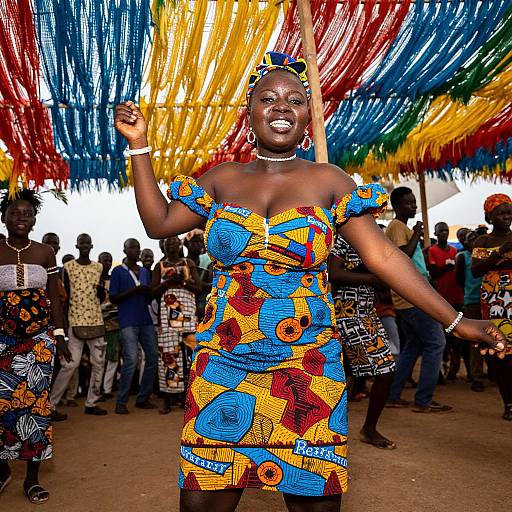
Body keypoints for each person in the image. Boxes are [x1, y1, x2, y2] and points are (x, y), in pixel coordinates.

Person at [115, 51, 504, 512]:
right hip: (223, 360)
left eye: (295, 101)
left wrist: (458, 321)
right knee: (201, 503)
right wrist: (139, 146)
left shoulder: (329, 180)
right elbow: (159, 223)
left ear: (307, 120)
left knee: (312, 501)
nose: (282, 107)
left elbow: (383, 256)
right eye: (269, 98)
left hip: (306, 364)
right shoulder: (221, 178)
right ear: (250, 113)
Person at [0, 190, 71, 504]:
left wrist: (60, 335)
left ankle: (31, 479)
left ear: (35, 219)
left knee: (36, 409)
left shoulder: (45, 252)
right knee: (3, 408)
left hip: (38, 342)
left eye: (27, 213)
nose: (21, 218)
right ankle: (3, 469)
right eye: (14, 213)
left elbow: (54, 298)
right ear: (3, 217)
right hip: (2, 341)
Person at [385, 188, 452, 413]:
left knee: (413, 346)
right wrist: (416, 233)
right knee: (436, 342)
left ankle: (393, 395)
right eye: (408, 203)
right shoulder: (396, 227)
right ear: (396, 206)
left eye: (414, 203)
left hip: (410, 295)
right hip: (412, 296)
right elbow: (402, 255)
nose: (413, 207)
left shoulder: (401, 228)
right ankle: (423, 399)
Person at [328, 235, 396, 449]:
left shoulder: (372, 239)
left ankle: (368, 429)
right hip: (345, 313)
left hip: (367, 313)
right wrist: (372, 279)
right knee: (380, 370)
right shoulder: (344, 239)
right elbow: (333, 272)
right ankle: (341, 433)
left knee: (384, 370)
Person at [50, 234, 108, 416]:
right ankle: (50, 405)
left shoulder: (99, 267)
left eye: (87, 242)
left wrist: (101, 293)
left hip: (96, 321)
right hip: (75, 321)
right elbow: (64, 298)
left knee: (98, 363)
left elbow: (102, 297)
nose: (84, 245)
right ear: (77, 246)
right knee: (70, 364)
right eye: (81, 242)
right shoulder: (68, 268)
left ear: (91, 245)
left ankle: (91, 402)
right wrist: (64, 324)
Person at [472, 194, 512, 420]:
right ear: (489, 216)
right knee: (502, 353)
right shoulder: (483, 242)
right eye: (501, 213)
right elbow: (477, 269)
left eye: (509, 212)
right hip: (496, 302)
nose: (506, 217)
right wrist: (501, 251)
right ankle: (508, 403)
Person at [109, 238, 159, 414]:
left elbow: (148, 296)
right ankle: (121, 401)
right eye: (132, 247)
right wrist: (135, 291)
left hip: (145, 320)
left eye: (138, 247)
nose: (136, 250)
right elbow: (113, 298)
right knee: (131, 360)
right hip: (128, 321)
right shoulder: (117, 272)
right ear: (124, 250)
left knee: (152, 357)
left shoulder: (145, 271)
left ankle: (143, 398)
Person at [152, 236, 200, 414]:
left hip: (188, 318)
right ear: (163, 247)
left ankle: (189, 398)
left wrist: (183, 282)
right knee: (168, 358)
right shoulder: (160, 266)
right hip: (167, 321)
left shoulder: (188, 263)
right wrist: (168, 283)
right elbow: (152, 291)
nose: (171, 246)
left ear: (180, 245)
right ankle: (167, 398)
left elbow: (199, 288)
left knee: (191, 359)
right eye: (168, 244)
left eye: (174, 243)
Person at [428, 222, 468, 381]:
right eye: (441, 231)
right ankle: (441, 369)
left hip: (457, 298)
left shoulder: (455, 251)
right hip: (442, 299)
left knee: (457, 337)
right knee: (443, 337)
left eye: (446, 230)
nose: (444, 233)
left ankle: (454, 369)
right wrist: (449, 267)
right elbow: (433, 273)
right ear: (436, 233)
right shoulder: (432, 251)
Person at [455, 230, 485, 391]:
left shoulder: (486, 256)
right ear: (465, 243)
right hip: (472, 301)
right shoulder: (463, 257)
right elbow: (459, 280)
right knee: (475, 341)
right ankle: (477, 377)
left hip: (488, 300)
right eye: (470, 239)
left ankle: (493, 373)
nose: (474, 240)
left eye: (476, 237)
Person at [98, 252, 120, 399]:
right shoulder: (95, 280)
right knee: (100, 358)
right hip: (98, 322)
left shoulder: (113, 280)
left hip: (114, 323)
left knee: (112, 357)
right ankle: (100, 388)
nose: (107, 263)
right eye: (104, 260)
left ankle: (107, 388)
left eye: (109, 260)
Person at [183, 229, 213, 321]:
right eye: (195, 242)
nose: (199, 245)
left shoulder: (208, 261)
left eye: (201, 242)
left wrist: (198, 284)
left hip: (203, 310)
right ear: (187, 244)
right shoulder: (182, 263)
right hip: (185, 308)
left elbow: (213, 285)